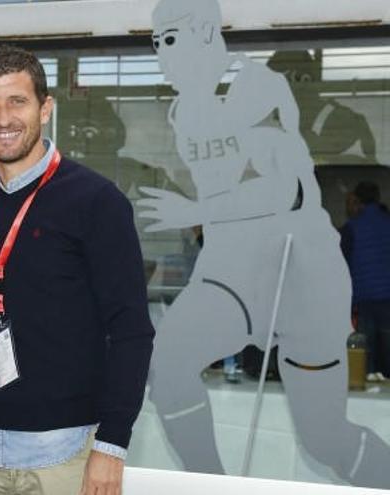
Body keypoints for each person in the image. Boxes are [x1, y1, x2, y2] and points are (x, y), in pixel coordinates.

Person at [140, 0, 390, 488]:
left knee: (323, 439)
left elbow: (284, 189)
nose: (160, 55)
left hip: (300, 272)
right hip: (230, 271)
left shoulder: (256, 87)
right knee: (167, 367)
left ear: (208, 34)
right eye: (154, 44)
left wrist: (194, 212)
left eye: (169, 40)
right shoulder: (181, 109)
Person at [0, 45, 155, 495]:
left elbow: (132, 330)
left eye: (17, 101)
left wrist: (112, 445)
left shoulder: (96, 201)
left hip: (64, 453)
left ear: (46, 108)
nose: (3, 118)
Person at [341, 181, 390, 382]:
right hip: (388, 298)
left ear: (359, 201)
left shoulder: (350, 228)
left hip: (363, 298)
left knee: (365, 347)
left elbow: (342, 266)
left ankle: (368, 384)